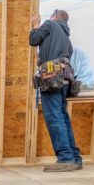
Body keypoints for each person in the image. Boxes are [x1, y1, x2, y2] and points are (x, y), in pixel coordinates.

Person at [29, 9, 83, 172]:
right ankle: (74, 158)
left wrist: (36, 24)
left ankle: (65, 158)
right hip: (65, 78)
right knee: (62, 117)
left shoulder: (50, 24)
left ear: (54, 17)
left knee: (54, 116)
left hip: (52, 77)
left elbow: (33, 39)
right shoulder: (67, 40)